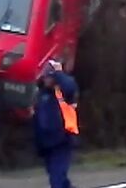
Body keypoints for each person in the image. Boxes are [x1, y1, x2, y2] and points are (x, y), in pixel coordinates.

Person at [33, 60, 79, 188]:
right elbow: (37, 121)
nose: (47, 79)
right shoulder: (40, 95)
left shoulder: (64, 92)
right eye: (46, 76)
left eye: (50, 76)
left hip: (62, 141)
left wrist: (58, 72)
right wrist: (38, 145)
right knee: (60, 179)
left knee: (56, 180)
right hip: (47, 143)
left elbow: (70, 86)